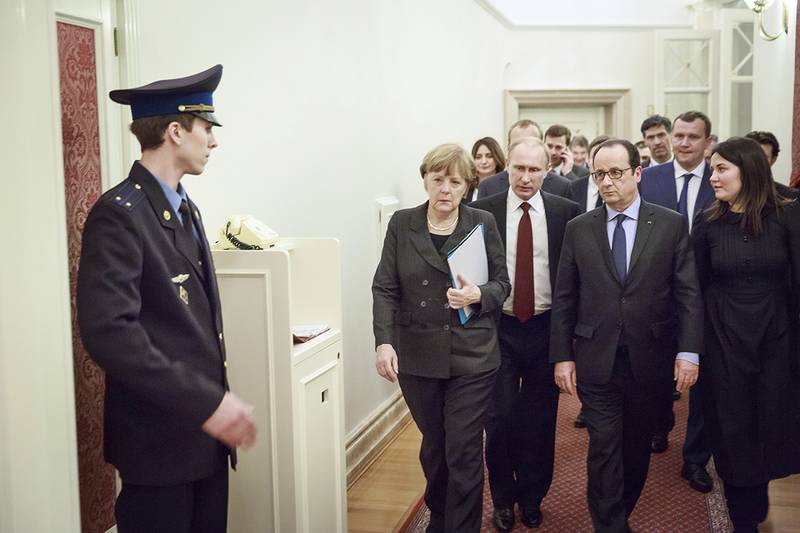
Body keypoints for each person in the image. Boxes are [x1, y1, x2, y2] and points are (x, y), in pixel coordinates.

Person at [77, 65, 257, 533]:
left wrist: (211, 408)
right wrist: (208, 403)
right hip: (158, 445)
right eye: (207, 128)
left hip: (205, 439)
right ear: (176, 131)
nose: (214, 141)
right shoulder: (119, 215)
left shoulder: (186, 207)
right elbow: (110, 333)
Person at [550, 139, 703, 533]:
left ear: (638, 173)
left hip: (649, 358)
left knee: (636, 450)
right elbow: (565, 297)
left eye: (616, 173)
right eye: (599, 174)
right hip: (596, 358)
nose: (606, 182)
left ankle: (619, 514)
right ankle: (611, 526)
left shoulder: (670, 224)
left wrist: (688, 352)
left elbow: (687, 294)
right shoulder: (578, 229)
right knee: (603, 448)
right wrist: (562, 356)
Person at [372, 143, 510, 532]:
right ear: (426, 181)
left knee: (463, 449)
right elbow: (384, 287)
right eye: (437, 179)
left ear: (467, 185)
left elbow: (503, 283)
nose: (445, 188)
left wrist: (478, 294)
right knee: (435, 448)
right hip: (418, 356)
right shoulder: (402, 224)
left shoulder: (482, 222)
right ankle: (442, 515)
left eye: (454, 181)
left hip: (473, 355)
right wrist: (384, 342)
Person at [471, 138, 581, 531]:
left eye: (534, 170)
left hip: (545, 329)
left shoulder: (567, 213)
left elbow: (573, 278)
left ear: (546, 172)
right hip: (497, 329)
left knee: (539, 420)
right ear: (507, 169)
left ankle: (532, 497)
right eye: (519, 168)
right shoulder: (481, 213)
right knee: (498, 419)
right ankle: (502, 498)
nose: (525, 177)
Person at [694, 136, 800, 532]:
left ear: (749, 170)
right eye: (711, 170)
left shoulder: (787, 214)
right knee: (732, 431)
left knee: (771, 428)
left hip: (776, 341)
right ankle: (744, 520)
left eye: (721, 169)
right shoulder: (707, 222)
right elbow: (697, 288)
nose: (713, 178)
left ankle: (755, 499)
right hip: (724, 343)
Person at [639, 112, 715, 486]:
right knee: (655, 371)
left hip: (708, 295)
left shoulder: (719, 181)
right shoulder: (649, 179)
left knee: (704, 379)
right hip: (657, 294)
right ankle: (658, 423)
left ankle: (696, 458)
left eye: (692, 137)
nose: (684, 143)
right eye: (679, 135)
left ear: (707, 142)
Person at [478, 120, 573, 199]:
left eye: (531, 144)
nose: (524, 150)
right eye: (518, 144)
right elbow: (481, 221)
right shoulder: (488, 187)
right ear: (508, 148)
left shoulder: (562, 187)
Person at [744, 130, 800, 199]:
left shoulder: (791, 196)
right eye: (752, 156)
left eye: (763, 157)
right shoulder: (730, 192)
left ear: (773, 160)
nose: (756, 161)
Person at [466, 136, 506, 203]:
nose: (484, 161)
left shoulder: (506, 186)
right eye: (478, 157)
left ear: (497, 157)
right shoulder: (467, 188)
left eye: (489, 156)